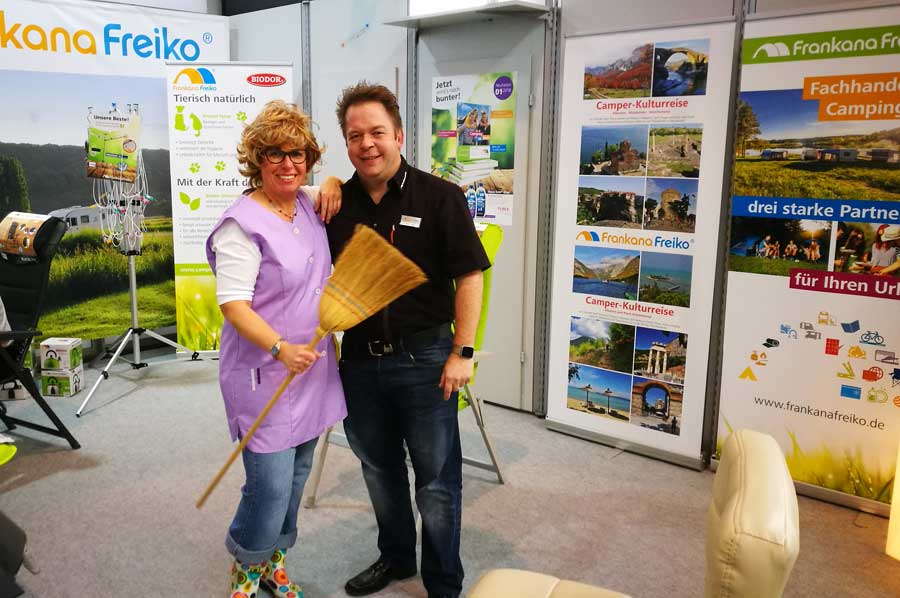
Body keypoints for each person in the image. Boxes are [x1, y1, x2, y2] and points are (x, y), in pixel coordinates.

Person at [327, 82, 489, 598]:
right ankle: (396, 558)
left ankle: (443, 584)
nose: (367, 144)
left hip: (426, 359)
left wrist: (463, 352)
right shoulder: (336, 205)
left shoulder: (441, 197)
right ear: (346, 143)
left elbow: (469, 277)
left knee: (437, 482)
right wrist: (323, 182)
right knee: (378, 469)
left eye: (377, 132)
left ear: (398, 135)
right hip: (358, 363)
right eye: (355, 136)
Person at [205, 100, 347, 598]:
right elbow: (233, 306)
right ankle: (247, 567)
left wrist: (333, 182)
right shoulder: (240, 225)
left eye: (298, 154)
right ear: (257, 160)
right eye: (276, 154)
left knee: (297, 475)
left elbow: (332, 188)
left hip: (312, 369)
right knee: (268, 486)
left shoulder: (306, 203)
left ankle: (274, 561)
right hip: (263, 372)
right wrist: (281, 347)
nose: (288, 164)